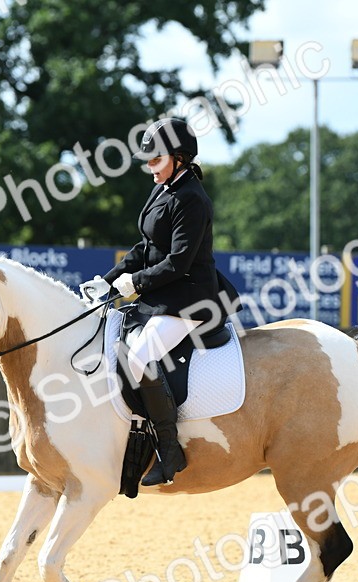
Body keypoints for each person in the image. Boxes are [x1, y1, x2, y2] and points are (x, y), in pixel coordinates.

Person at [81, 118, 236, 486]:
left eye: (155, 160)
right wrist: (106, 281)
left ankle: (169, 448)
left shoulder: (191, 199)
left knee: (138, 360)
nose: (149, 167)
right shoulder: (164, 188)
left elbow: (178, 261)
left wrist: (134, 282)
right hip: (163, 294)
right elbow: (145, 248)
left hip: (190, 298)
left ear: (179, 158)